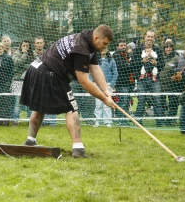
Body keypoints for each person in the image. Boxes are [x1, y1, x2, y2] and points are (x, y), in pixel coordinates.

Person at [20, 24, 116, 158]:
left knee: (39, 107)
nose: (106, 47)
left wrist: (106, 91)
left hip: (37, 68)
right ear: (96, 37)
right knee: (72, 108)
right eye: (105, 43)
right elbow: (84, 81)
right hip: (49, 72)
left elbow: (95, 69)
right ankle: (78, 149)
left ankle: (30, 141)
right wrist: (103, 98)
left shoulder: (88, 40)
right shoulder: (81, 49)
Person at [130, 30, 164, 127]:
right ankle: (138, 122)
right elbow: (132, 65)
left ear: (154, 38)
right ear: (144, 37)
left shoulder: (158, 50)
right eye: (148, 36)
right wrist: (142, 61)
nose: (149, 38)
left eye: (151, 37)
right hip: (142, 79)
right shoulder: (137, 50)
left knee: (157, 100)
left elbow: (163, 64)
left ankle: (159, 122)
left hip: (155, 79)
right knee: (141, 100)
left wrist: (156, 63)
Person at [33, 36, 57, 127]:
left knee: (50, 101)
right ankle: (40, 122)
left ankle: (51, 122)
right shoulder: (31, 54)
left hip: (48, 80)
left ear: (43, 43)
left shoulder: (49, 53)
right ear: (34, 44)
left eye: (41, 43)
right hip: (36, 80)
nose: (39, 45)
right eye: (37, 43)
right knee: (38, 102)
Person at [11, 39, 36, 126]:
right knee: (17, 102)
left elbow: (34, 66)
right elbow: (16, 64)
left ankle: (31, 120)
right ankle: (15, 120)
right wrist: (24, 54)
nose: (25, 47)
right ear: (20, 46)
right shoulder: (16, 53)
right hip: (18, 81)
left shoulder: (33, 54)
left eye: (27, 46)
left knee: (30, 102)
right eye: (23, 45)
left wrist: (24, 65)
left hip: (29, 81)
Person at [93, 48, 118, 128]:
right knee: (98, 104)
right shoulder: (95, 60)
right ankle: (98, 120)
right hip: (97, 85)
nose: (104, 49)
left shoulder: (111, 60)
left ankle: (108, 121)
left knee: (107, 104)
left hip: (107, 85)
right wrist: (92, 83)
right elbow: (91, 73)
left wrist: (111, 84)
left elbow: (115, 73)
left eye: (105, 48)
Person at [0, 42, 14, 125]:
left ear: (3, 49)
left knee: (6, 101)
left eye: (0, 49)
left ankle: (6, 120)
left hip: (6, 82)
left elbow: (11, 71)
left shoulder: (8, 58)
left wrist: (9, 82)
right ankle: (0, 118)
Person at [112, 39, 133, 126]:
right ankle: (121, 120)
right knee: (122, 102)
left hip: (129, 82)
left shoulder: (127, 55)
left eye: (124, 45)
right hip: (121, 82)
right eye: (121, 45)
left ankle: (124, 119)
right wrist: (131, 65)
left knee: (127, 101)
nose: (123, 47)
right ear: (117, 46)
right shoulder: (116, 55)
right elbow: (123, 67)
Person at [159, 42, 180, 126]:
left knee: (173, 103)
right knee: (161, 102)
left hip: (172, 85)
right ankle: (163, 120)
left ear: (172, 48)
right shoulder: (160, 57)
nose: (168, 49)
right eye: (166, 47)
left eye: (170, 47)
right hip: (161, 84)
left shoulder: (176, 58)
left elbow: (179, 69)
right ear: (164, 48)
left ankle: (172, 120)